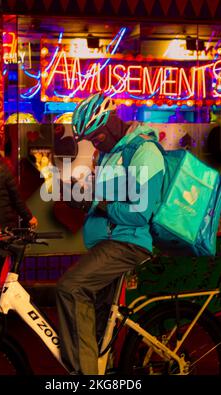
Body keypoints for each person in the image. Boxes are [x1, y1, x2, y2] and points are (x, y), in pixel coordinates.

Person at [55, 92, 165, 375]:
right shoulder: (107, 153)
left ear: (113, 121)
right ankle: (105, 370)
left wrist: (97, 204)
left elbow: (140, 212)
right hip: (106, 241)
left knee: (71, 287)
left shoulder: (145, 152)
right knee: (98, 322)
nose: (94, 143)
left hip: (127, 242)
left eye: (97, 136)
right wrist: (76, 192)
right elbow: (103, 195)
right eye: (91, 139)